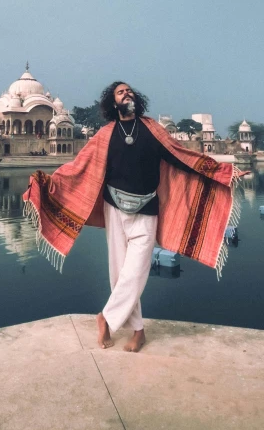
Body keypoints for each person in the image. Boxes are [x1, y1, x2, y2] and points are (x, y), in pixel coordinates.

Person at [23, 81, 244, 353]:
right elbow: (79, 166)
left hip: (147, 210)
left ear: (136, 98)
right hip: (114, 208)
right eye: (120, 92)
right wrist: (48, 182)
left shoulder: (152, 130)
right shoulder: (105, 135)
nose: (126, 93)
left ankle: (106, 318)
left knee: (136, 272)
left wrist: (221, 172)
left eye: (129, 91)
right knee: (119, 274)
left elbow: (181, 156)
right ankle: (138, 332)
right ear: (112, 103)